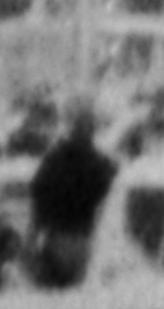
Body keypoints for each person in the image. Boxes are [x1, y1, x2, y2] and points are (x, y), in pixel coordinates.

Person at [27, 109, 114, 286]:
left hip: (58, 236)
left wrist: (33, 233)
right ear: (92, 133)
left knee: (53, 292)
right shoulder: (99, 163)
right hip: (84, 236)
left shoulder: (53, 160)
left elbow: (38, 195)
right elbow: (108, 197)